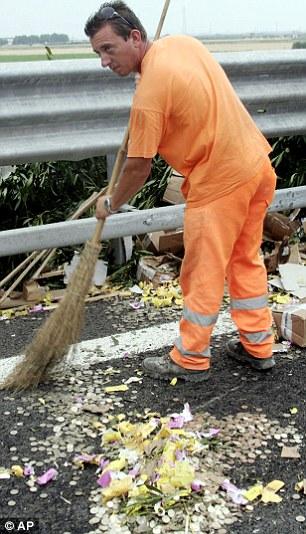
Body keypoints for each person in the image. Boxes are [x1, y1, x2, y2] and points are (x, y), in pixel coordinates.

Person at [84, 1, 277, 382]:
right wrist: (148, 81)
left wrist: (109, 203)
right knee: (244, 258)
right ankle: (259, 347)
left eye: (109, 49)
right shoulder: (180, 44)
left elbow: (138, 169)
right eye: (98, 53)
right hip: (255, 165)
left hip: (219, 181)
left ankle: (190, 358)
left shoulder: (148, 98)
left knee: (202, 272)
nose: (104, 61)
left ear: (135, 37)